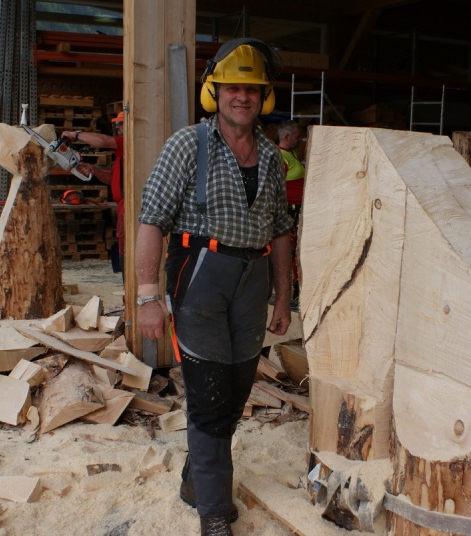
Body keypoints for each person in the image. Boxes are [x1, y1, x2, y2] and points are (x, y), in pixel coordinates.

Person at [134, 38, 293, 536]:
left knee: (235, 393)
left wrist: (284, 296)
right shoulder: (187, 145)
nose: (242, 97)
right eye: (232, 89)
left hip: (253, 281)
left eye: (252, 89)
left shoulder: (272, 157)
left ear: (264, 96)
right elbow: (151, 220)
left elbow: (281, 231)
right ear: (214, 92)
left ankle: (195, 482)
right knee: (207, 396)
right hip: (199, 274)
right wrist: (147, 296)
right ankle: (215, 513)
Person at [63, 111, 125, 275]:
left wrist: (75, 135)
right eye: (117, 125)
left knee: (126, 250)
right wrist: (95, 171)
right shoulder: (121, 155)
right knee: (122, 249)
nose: (118, 128)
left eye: (121, 124)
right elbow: (113, 178)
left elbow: (103, 141)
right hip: (122, 206)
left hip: (129, 207)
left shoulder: (128, 142)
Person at [276, 120, 305, 223]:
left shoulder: (292, 153)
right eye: (297, 137)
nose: (300, 140)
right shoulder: (279, 156)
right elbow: (276, 185)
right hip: (290, 208)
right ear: (287, 137)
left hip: (297, 206)